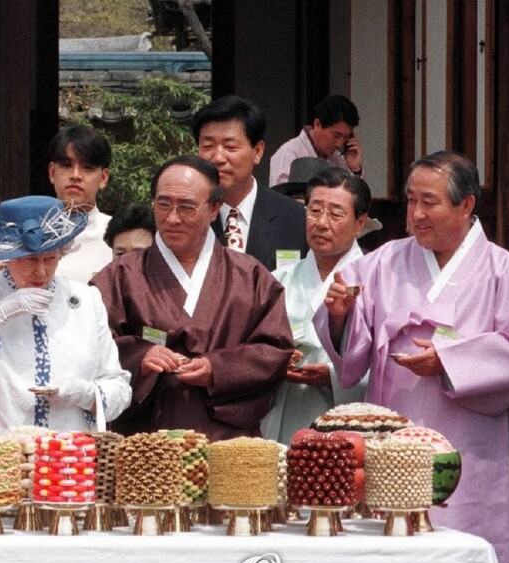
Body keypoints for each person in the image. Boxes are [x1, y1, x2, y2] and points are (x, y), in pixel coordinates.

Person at [314, 151, 509, 563]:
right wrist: (339, 314)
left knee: (468, 562)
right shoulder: (381, 263)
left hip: (469, 449)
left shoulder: (506, 274)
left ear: (466, 205)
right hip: (390, 444)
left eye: (429, 202)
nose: (415, 215)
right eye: (410, 202)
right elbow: (349, 352)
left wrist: (449, 361)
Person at [91, 155, 294, 442]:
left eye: (186, 207)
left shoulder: (250, 276)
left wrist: (218, 369)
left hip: (226, 440)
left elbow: (275, 351)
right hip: (144, 441)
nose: (173, 217)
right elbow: (89, 343)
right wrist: (140, 356)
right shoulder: (120, 275)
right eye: (163, 204)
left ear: (214, 208)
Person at [0, 195, 131, 432]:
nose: (41, 270)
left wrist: (84, 394)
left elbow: (119, 388)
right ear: (9, 256)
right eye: (30, 260)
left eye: (50, 258)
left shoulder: (86, 299)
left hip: (70, 459)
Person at [263, 168, 370, 444]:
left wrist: (334, 376)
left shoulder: (378, 281)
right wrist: (275, 362)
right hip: (288, 410)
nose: (321, 223)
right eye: (314, 211)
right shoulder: (279, 280)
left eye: (335, 214)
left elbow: (388, 361)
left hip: (352, 420)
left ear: (360, 223)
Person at [192, 95, 308, 272]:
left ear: (258, 151)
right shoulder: (186, 217)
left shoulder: (296, 219)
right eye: (208, 147)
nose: (218, 158)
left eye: (230, 147)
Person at [48, 125, 113, 281]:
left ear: (103, 178)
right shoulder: (27, 231)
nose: (75, 175)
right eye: (66, 165)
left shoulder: (116, 235)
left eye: (87, 167)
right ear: (52, 172)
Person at [269, 94, 363, 187]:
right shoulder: (288, 153)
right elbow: (281, 198)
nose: (339, 144)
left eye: (345, 137)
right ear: (317, 124)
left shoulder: (338, 159)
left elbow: (354, 198)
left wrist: (354, 169)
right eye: (336, 135)